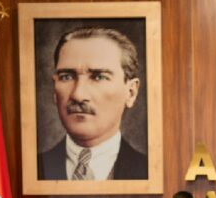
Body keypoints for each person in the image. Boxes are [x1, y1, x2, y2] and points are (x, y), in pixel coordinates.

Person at [38, 26, 149, 181]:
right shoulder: (32, 171)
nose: (78, 94)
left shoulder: (150, 172)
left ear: (131, 93)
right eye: (66, 77)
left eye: (99, 77)